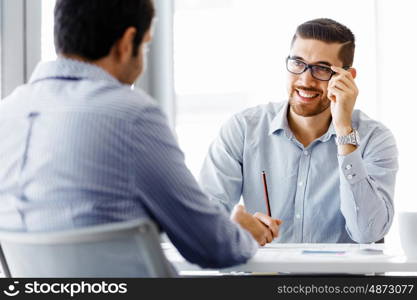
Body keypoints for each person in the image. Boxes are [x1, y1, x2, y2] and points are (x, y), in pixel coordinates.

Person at [0, 0, 281, 272]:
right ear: (126, 43)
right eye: (145, 46)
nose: (143, 60)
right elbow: (212, 247)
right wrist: (242, 232)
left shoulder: (7, 112)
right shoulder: (130, 114)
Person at [200, 18, 398, 244]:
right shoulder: (243, 129)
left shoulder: (375, 138)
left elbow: (368, 233)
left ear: (347, 77)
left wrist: (344, 131)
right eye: (298, 63)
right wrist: (232, 224)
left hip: (342, 279)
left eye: (322, 69)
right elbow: (203, 217)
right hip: (264, 276)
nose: (305, 80)